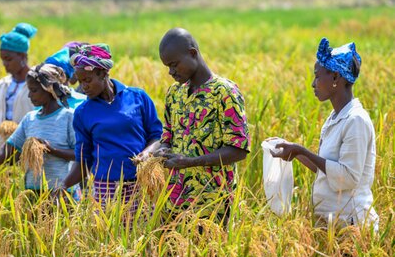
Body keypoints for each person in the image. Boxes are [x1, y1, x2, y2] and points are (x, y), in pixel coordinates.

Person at [270, 38, 379, 230]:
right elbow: (328, 170)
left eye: (317, 76)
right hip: (330, 221)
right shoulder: (335, 117)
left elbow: (347, 177)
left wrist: (302, 150)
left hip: (350, 223)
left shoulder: (356, 121)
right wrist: (295, 153)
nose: (313, 84)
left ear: (336, 78)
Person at [155, 28, 250, 222]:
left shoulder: (224, 92)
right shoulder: (175, 93)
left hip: (214, 205)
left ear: (192, 53)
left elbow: (238, 150)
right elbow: (167, 136)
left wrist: (190, 162)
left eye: (174, 65)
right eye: (167, 67)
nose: (171, 72)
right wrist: (162, 151)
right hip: (175, 202)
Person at [57, 43, 163, 212]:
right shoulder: (83, 112)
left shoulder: (137, 97)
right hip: (105, 190)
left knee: (142, 234)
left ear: (103, 73)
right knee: (107, 236)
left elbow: (157, 136)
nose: (83, 87)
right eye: (81, 81)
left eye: (88, 80)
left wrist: (147, 153)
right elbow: (83, 160)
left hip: (141, 184)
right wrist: (64, 184)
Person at [0, 64, 78, 198]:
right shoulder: (30, 119)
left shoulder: (68, 117)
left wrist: (52, 150)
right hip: (32, 192)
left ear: (49, 89)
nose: (29, 95)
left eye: (33, 90)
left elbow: (80, 154)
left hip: (61, 193)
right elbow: (6, 150)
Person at [44, 44, 87, 109]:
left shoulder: (82, 102)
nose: (50, 82)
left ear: (66, 78)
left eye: (55, 77)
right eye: (47, 77)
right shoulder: (43, 103)